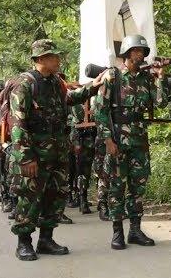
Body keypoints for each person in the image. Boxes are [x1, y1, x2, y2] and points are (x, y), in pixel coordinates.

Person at [9, 39, 104, 261]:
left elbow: (69, 98)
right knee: (30, 198)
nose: (58, 60)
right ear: (40, 59)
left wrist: (93, 87)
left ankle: (46, 239)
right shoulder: (24, 85)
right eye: (54, 56)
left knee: (55, 196)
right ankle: (24, 243)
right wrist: (25, 158)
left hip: (58, 152)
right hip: (35, 156)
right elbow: (18, 124)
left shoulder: (55, 83)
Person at [94, 34, 168, 250]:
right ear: (126, 54)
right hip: (118, 139)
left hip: (139, 140)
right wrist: (108, 140)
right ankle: (117, 232)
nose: (140, 55)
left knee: (138, 186)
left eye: (142, 52)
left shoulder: (146, 79)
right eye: (136, 51)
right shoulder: (112, 76)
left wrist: (160, 77)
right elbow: (100, 111)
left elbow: (161, 102)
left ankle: (135, 230)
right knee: (117, 187)